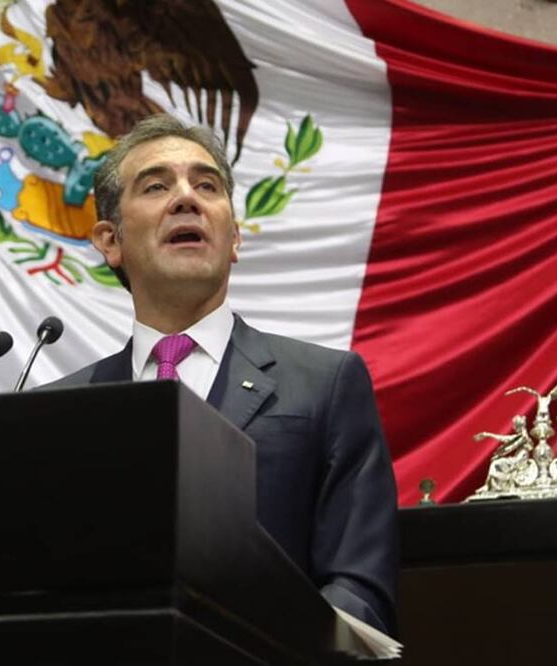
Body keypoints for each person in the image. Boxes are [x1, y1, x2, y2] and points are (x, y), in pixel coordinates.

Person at [44, 115, 398, 635]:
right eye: (157, 185)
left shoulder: (326, 383)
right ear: (110, 240)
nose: (186, 199)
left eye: (206, 185)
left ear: (233, 237)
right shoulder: (60, 412)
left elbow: (359, 588)